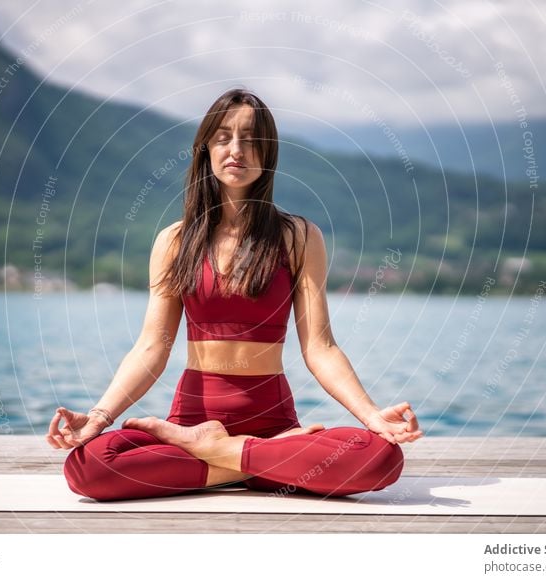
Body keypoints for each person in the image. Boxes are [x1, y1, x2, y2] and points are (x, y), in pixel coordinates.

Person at [46, 87, 422, 501]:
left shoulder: (298, 237)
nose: (236, 149)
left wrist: (372, 417)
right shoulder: (175, 240)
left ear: (268, 153)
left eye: (250, 139)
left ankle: (223, 455)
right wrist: (99, 417)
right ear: (205, 150)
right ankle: (258, 467)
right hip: (191, 421)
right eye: (224, 137)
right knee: (88, 468)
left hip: (273, 423)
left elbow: (320, 346)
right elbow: (153, 346)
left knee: (381, 457)